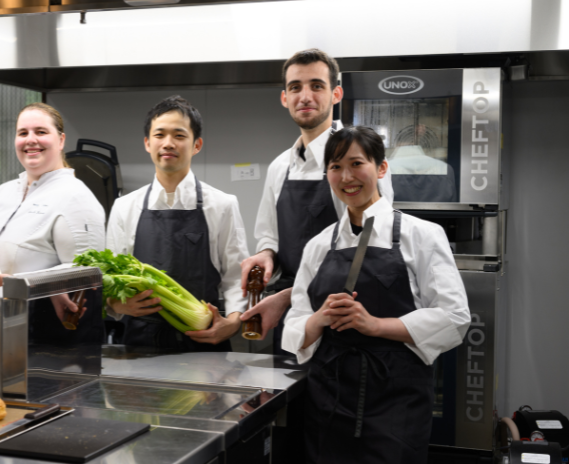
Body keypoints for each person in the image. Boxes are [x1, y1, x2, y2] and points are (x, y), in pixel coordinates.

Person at [282, 126, 470, 463]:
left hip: (396, 400)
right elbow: (296, 321)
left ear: (381, 168)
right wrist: (319, 319)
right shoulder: (318, 245)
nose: (346, 177)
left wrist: (375, 325)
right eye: (335, 167)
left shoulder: (422, 235)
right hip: (329, 396)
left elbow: (454, 317)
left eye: (357, 164)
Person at [240, 49, 394, 349]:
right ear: (285, 98)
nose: (305, 96)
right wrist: (265, 255)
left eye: (317, 86)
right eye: (295, 87)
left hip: (349, 310)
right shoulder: (279, 167)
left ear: (336, 94)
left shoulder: (363, 163)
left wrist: (290, 295)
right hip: (293, 316)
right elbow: (268, 236)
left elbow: (371, 248)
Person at [106, 95, 249, 351]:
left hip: (204, 346)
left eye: (179, 136)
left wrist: (233, 322)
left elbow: (236, 278)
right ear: (147, 143)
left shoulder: (222, 204)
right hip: (139, 347)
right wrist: (116, 305)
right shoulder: (124, 207)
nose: (168, 143)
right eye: (159, 135)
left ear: (197, 145)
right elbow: (112, 279)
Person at [0, 102, 106, 344]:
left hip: (43, 332)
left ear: (61, 140)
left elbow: (87, 272)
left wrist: (17, 283)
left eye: (41, 132)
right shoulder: (5, 191)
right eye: (23, 133)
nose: (30, 140)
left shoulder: (76, 197)